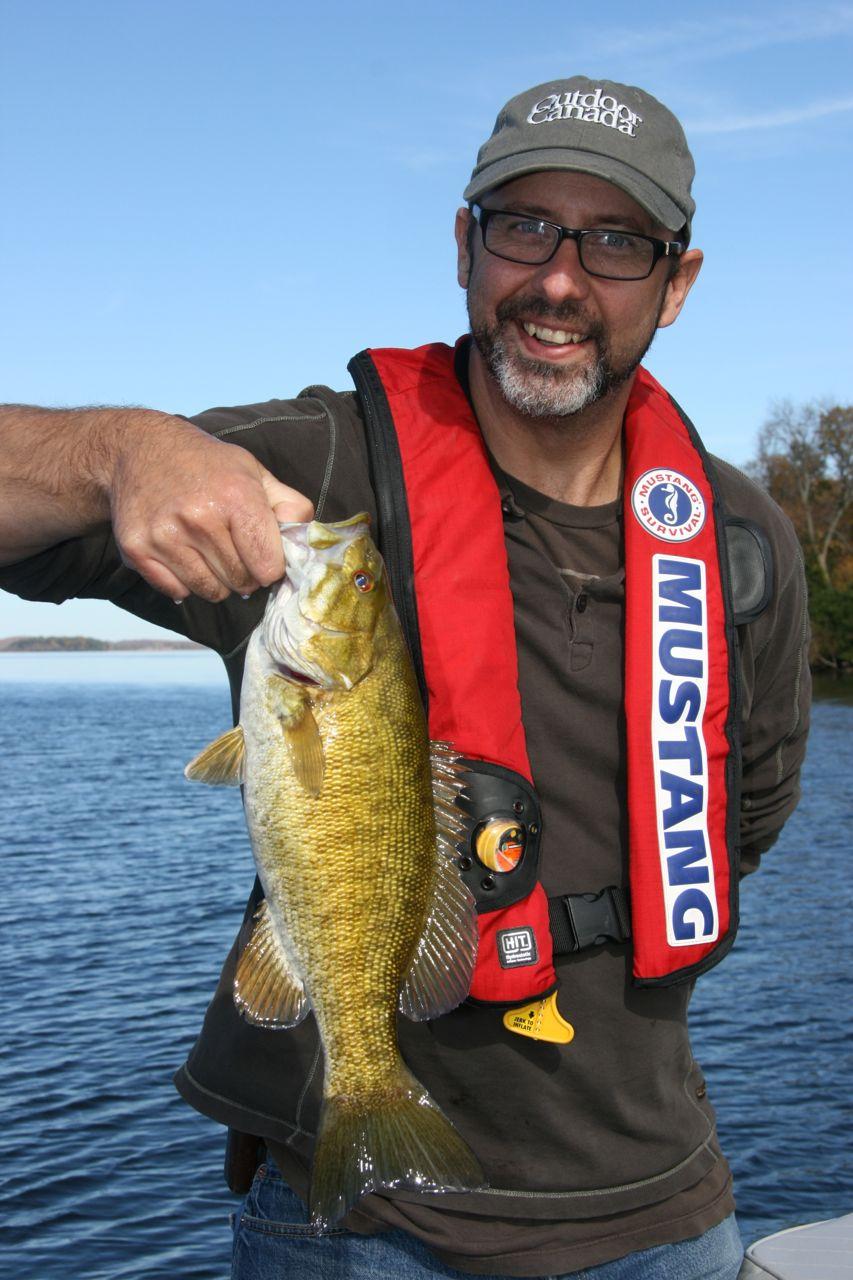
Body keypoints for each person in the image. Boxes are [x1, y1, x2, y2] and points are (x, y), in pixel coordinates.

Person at [0, 76, 810, 1279]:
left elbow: (749, 808)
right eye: (522, 226)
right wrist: (123, 450)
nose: (558, 279)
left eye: (618, 242)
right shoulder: (319, 470)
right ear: (463, 247)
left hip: (667, 1215)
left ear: (676, 284)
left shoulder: (736, 536)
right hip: (366, 1235)